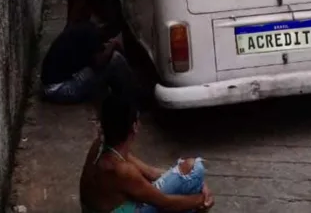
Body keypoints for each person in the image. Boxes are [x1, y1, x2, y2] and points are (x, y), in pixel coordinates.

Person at [80, 92, 213, 213]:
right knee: (195, 168)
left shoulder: (102, 146)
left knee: (189, 173)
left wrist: (198, 184)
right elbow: (165, 202)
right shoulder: (122, 170)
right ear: (134, 127)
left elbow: (150, 172)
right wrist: (201, 200)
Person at [40, 18, 137, 105]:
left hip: (51, 87)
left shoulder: (86, 29)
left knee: (107, 64)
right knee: (115, 60)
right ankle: (132, 97)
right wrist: (114, 45)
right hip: (59, 89)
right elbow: (100, 62)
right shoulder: (92, 35)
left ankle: (123, 93)